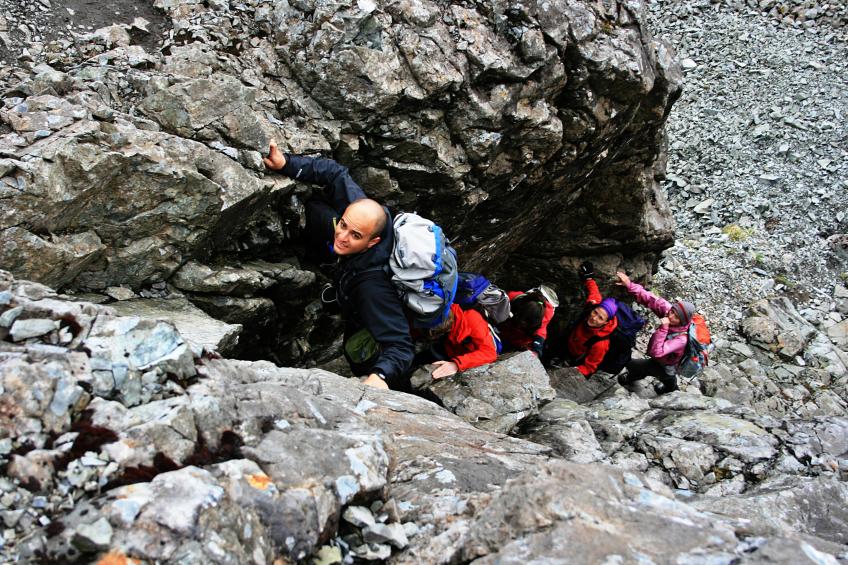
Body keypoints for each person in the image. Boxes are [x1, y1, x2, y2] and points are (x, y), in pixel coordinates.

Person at [264, 141, 413, 390]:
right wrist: (287, 163)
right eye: (343, 225)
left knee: (358, 354)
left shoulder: (372, 287)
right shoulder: (363, 214)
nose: (342, 237)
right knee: (319, 214)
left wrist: (380, 376)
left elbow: (400, 346)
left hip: (367, 320)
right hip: (352, 273)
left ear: (372, 242)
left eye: (355, 235)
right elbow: (335, 173)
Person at [614, 271, 695, 394]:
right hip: (662, 359)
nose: (671, 316)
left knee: (639, 367)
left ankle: (671, 390)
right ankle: (668, 386)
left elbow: (656, 352)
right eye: (672, 311)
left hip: (665, 364)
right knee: (646, 369)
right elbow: (649, 299)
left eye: (676, 317)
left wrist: (664, 327)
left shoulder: (681, 339)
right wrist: (629, 285)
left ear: (682, 321)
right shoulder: (669, 311)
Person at [561, 262, 619, 377]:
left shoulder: (600, 343)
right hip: (568, 340)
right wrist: (589, 278)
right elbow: (594, 292)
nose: (594, 318)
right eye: (595, 312)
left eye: (600, 318)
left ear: (606, 322)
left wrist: (570, 373)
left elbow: (589, 368)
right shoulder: (594, 305)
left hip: (574, 357)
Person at [413, 303, 499, 380]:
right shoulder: (433, 313)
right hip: (449, 349)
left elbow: (489, 353)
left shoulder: (472, 320)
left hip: (466, 355)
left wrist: (456, 364)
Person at [496, 287, 556, 357]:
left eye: (527, 323)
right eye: (521, 318)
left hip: (517, 344)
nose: (521, 324)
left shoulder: (540, 329)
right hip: (500, 331)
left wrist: (531, 355)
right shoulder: (512, 299)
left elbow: (537, 352)